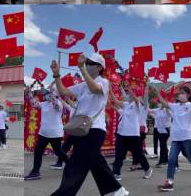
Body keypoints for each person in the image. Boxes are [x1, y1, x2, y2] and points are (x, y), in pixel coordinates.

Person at [50, 53, 129, 196]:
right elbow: (64, 92)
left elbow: (95, 89)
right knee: (95, 162)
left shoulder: (103, 82)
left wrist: (82, 69)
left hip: (94, 130)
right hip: (81, 129)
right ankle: (117, 189)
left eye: (90, 63)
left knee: (75, 167)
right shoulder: (82, 85)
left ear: (99, 67)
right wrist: (56, 75)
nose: (87, 64)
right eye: (86, 62)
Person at [155, 85, 191, 192]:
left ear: (187, 95)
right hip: (176, 139)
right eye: (179, 93)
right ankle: (169, 182)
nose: (180, 94)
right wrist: (157, 93)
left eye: (182, 93)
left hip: (187, 138)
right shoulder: (175, 106)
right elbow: (164, 103)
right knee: (172, 159)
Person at [24, 87, 69, 181]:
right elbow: (34, 104)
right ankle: (35, 172)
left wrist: (53, 94)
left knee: (58, 151)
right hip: (43, 133)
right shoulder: (43, 104)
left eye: (48, 93)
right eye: (45, 94)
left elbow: (57, 106)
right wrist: (29, 94)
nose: (45, 95)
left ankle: (70, 165)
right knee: (38, 151)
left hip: (55, 133)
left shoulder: (58, 104)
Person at [111, 80, 152, 181]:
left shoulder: (138, 106)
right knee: (119, 154)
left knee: (138, 154)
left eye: (132, 94)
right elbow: (116, 101)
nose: (130, 95)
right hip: (122, 134)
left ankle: (147, 169)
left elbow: (136, 99)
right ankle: (116, 173)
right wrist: (110, 91)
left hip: (133, 134)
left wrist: (130, 89)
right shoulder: (126, 104)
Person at [149, 103, 172, 168]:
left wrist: (167, 108)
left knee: (162, 145)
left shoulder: (167, 109)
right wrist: (145, 102)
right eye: (159, 103)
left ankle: (161, 161)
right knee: (163, 145)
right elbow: (149, 110)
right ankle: (166, 160)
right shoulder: (157, 110)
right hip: (160, 130)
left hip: (166, 130)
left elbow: (170, 115)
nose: (160, 104)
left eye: (162, 102)